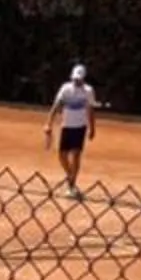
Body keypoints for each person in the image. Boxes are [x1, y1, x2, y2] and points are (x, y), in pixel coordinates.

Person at [44, 64, 101, 196]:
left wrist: (92, 129)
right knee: (62, 155)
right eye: (75, 78)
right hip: (66, 126)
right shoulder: (65, 88)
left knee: (75, 155)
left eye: (79, 79)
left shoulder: (88, 91)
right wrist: (48, 123)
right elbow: (56, 106)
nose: (77, 81)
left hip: (80, 127)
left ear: (83, 78)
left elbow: (90, 111)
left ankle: (72, 184)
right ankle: (71, 175)